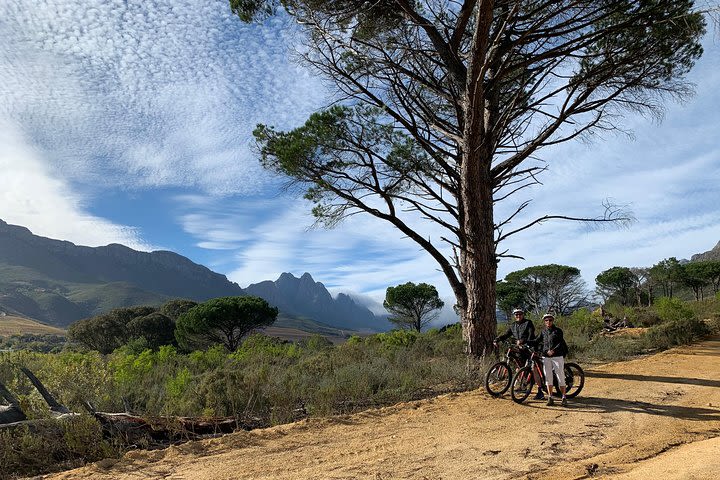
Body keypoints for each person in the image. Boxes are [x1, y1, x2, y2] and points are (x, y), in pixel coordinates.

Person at [494, 308, 544, 400]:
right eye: (516, 314)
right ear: (514, 316)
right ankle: (522, 386)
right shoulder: (513, 325)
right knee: (519, 367)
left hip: (530, 347)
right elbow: (506, 334)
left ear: (523, 314)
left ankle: (540, 391)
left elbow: (530, 334)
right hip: (520, 349)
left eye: (520, 314)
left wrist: (524, 341)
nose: (518, 316)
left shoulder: (528, 323)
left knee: (534, 369)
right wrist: (497, 339)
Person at [537, 313, 569, 406]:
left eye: (550, 320)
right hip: (546, 357)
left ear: (553, 321)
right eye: (546, 320)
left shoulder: (558, 331)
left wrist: (553, 351)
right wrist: (526, 342)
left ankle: (564, 397)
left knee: (560, 376)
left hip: (557, 356)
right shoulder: (543, 332)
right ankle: (550, 397)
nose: (548, 322)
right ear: (544, 322)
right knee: (548, 377)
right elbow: (537, 340)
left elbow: (560, 343)